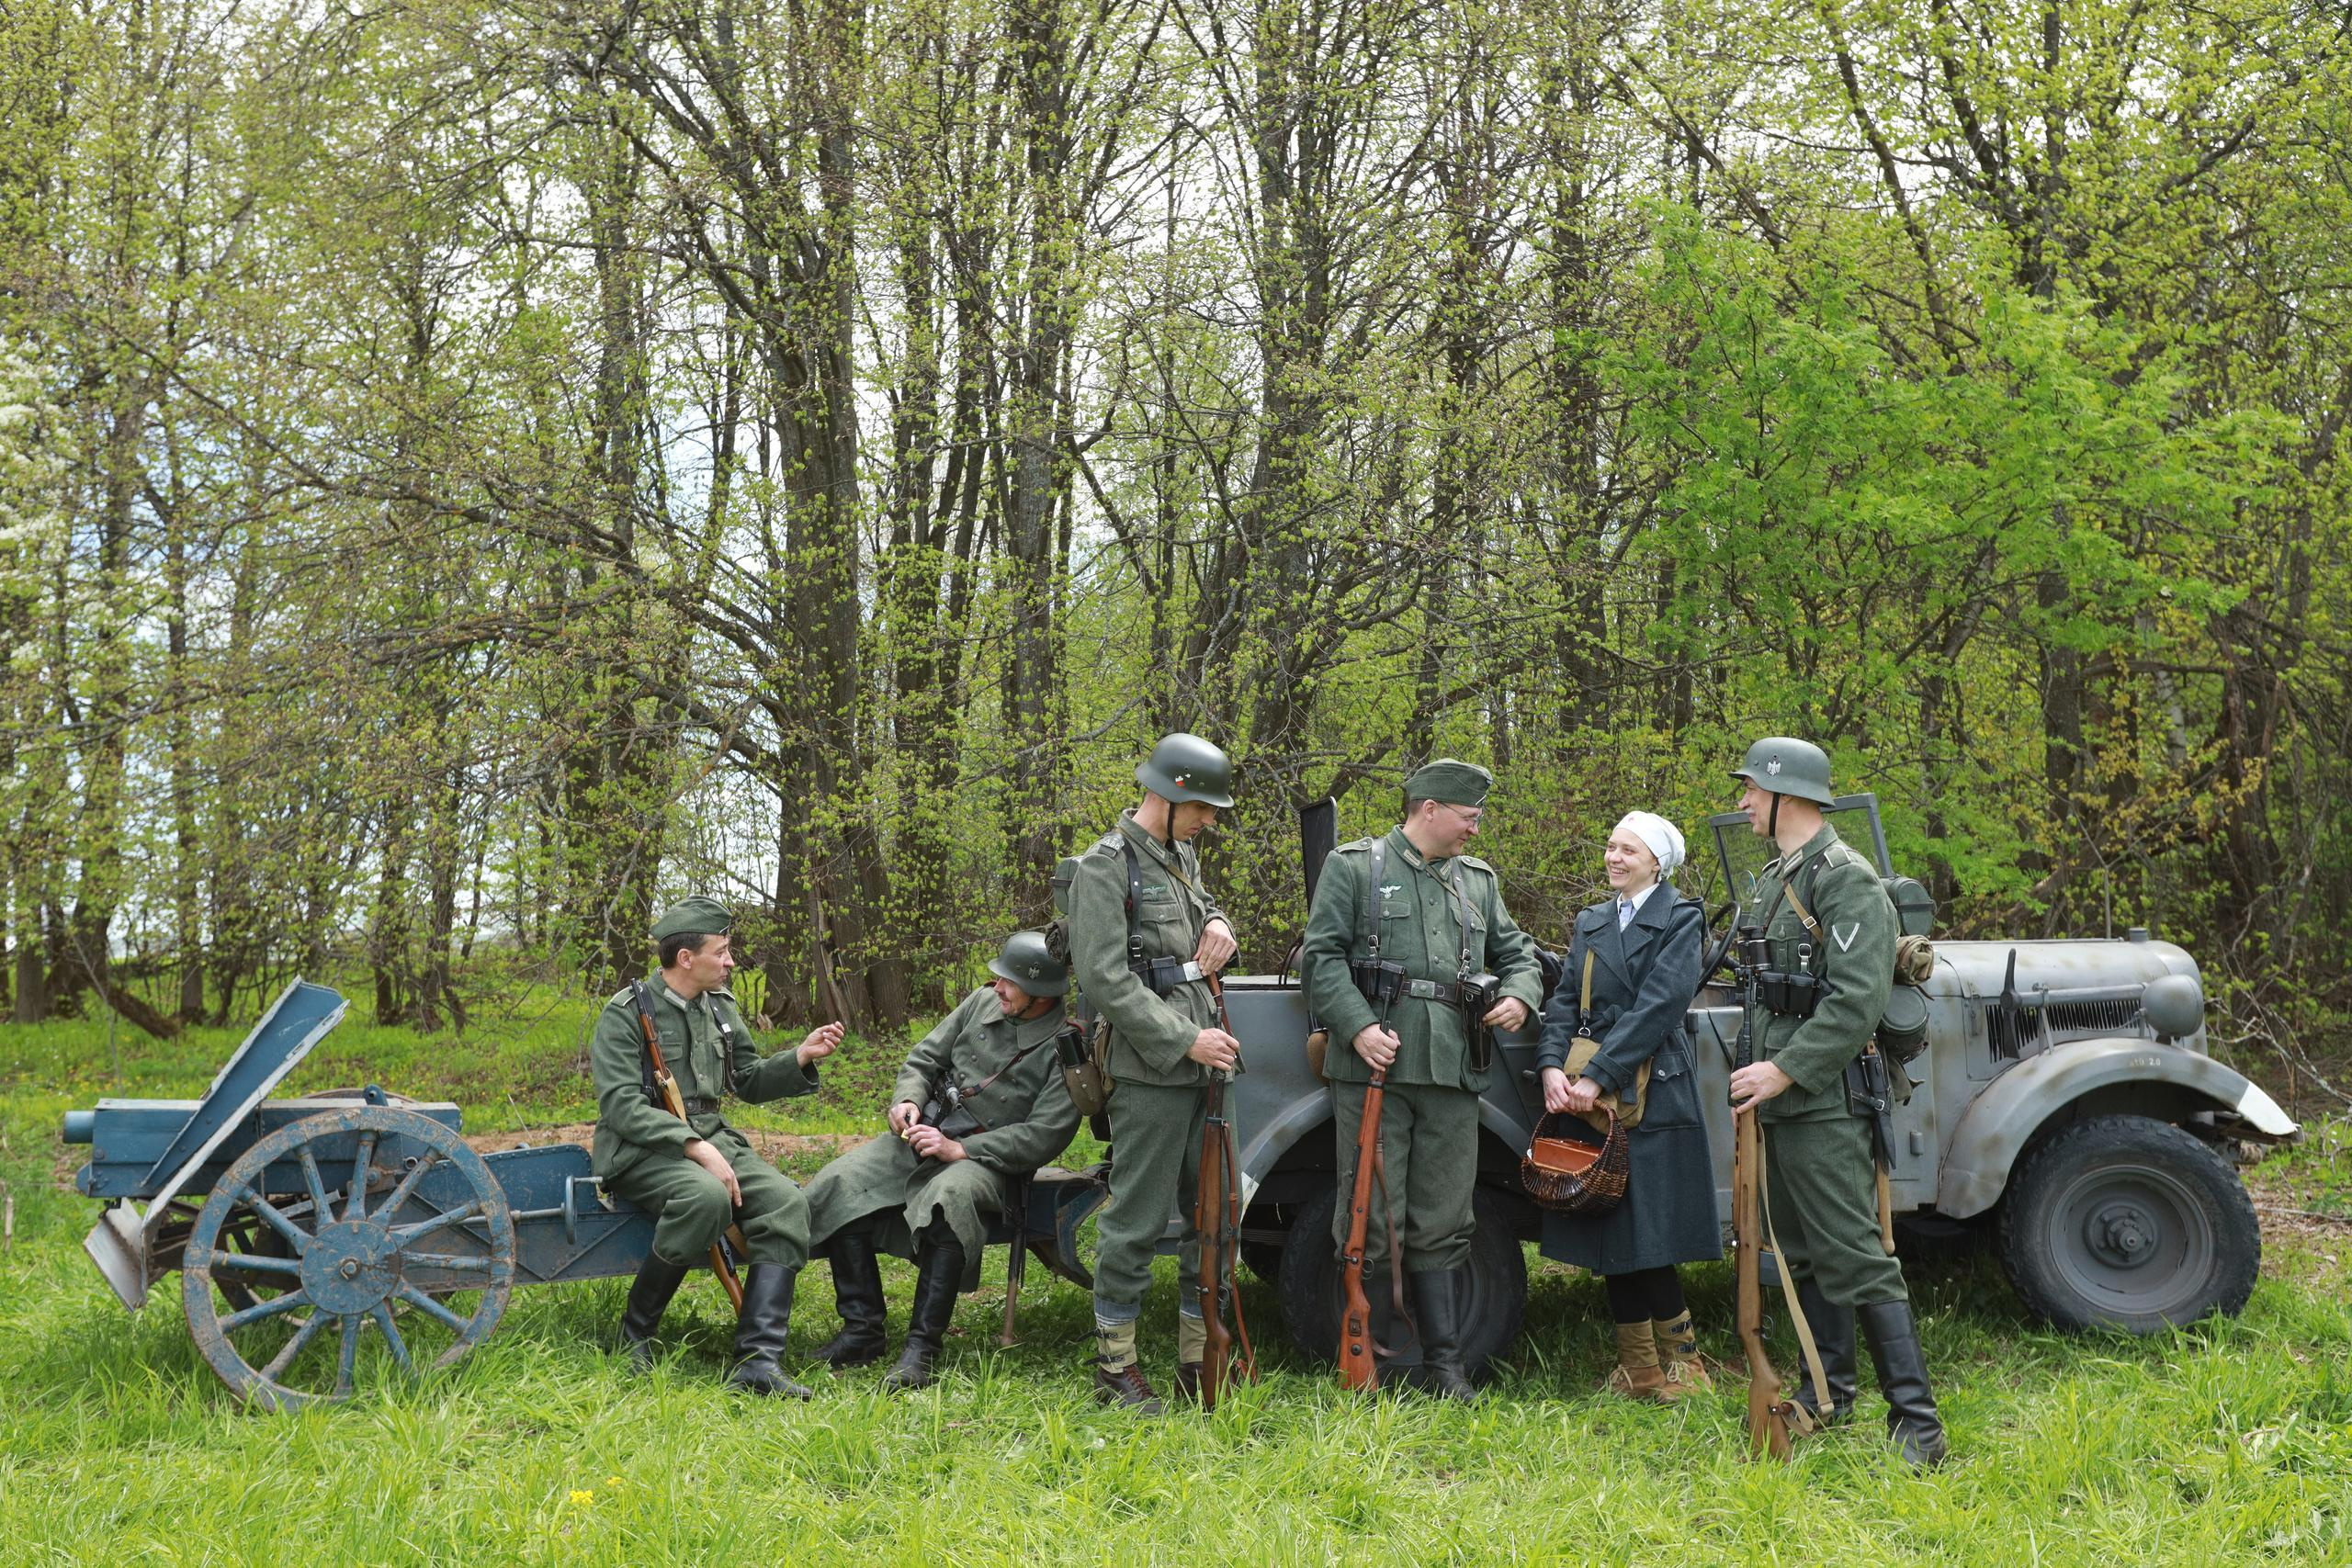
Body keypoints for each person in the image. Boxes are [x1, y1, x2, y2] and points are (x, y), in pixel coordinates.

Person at [1725, 738, 1949, 1467]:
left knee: (1855, 1254)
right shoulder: (1772, 879)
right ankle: (1831, 1394)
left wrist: (1782, 1071)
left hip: (1823, 1100)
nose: (1744, 802)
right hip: (1783, 1101)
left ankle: (1917, 1422)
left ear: (1789, 795)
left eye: (1753, 790)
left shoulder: (1845, 879)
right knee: (1804, 1256)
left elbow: (1856, 1000)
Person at [1301, 758, 1544, 1399]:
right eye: (1468, 816)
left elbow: (1519, 952)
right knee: (1373, 1215)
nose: (1475, 828)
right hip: (1374, 1064)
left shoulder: (1478, 882)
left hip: (1452, 1066)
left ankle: (1445, 1366)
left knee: (1445, 1217)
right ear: (1429, 808)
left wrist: (1520, 995)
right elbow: (1320, 956)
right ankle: (1374, 1358)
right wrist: (1355, 1025)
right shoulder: (1356, 867)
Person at [800, 931, 1082, 1391]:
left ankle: (921, 1350)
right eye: (998, 979)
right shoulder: (980, 1002)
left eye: (1009, 982)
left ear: (1042, 994)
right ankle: (862, 1330)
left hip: (990, 1159)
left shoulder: (1065, 1044)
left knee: (950, 1196)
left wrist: (962, 1150)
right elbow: (924, 1058)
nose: (998, 988)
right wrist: (907, 1100)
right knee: (841, 1181)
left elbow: (1045, 1135)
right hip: (925, 1132)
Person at [590, 896, 844, 1397]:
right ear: (687, 959)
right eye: (722, 951)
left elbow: (746, 1079)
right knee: (705, 1197)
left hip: (711, 1140)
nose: (731, 961)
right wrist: (694, 1148)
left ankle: (757, 1361)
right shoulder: (625, 1014)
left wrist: (799, 1056)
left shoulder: (720, 1008)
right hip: (642, 1149)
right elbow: (622, 1106)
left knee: (786, 1203)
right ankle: (634, 1335)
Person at [1065, 732, 1242, 1411]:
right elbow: (1107, 980)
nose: (1209, 820)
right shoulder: (1105, 867)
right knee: (1136, 1221)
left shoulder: (1181, 855)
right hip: (1149, 1068)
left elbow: (1200, 913)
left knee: (1216, 1215)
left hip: (1207, 1061)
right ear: (1165, 795)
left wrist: (1220, 919)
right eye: (1201, 806)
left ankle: (1199, 1360)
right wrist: (1184, 1039)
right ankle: (1117, 1370)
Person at [1534, 811, 1720, 1401]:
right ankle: (1640, 1371)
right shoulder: (1591, 921)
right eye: (1611, 847)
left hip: (1652, 1091)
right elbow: (1564, 1000)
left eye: (1628, 850)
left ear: (1657, 863)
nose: (1614, 858)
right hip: (1589, 1091)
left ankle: (1687, 1370)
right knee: (1611, 1226)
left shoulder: (1681, 919)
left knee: (1651, 1232)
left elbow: (1661, 1005)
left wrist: (1598, 1074)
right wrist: (1549, 1067)